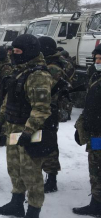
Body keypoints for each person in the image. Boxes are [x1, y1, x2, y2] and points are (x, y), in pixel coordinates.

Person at [0, 34, 54, 218]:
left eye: (18, 51)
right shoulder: (19, 71)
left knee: (31, 172)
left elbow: (41, 108)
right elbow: (9, 98)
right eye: (13, 51)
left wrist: (28, 131)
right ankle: (16, 203)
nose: (13, 54)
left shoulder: (38, 76)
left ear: (28, 52)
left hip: (30, 131)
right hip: (13, 129)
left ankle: (33, 210)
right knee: (15, 168)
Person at [38, 36, 71, 193]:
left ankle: (51, 179)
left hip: (49, 112)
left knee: (49, 145)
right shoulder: (48, 65)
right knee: (41, 142)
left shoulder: (52, 68)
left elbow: (47, 93)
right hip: (47, 110)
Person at [73, 48, 101, 216]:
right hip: (95, 133)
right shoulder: (96, 77)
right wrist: (82, 127)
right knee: (96, 166)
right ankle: (96, 203)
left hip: (99, 134)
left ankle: (97, 206)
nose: (98, 62)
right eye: (96, 59)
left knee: (97, 168)